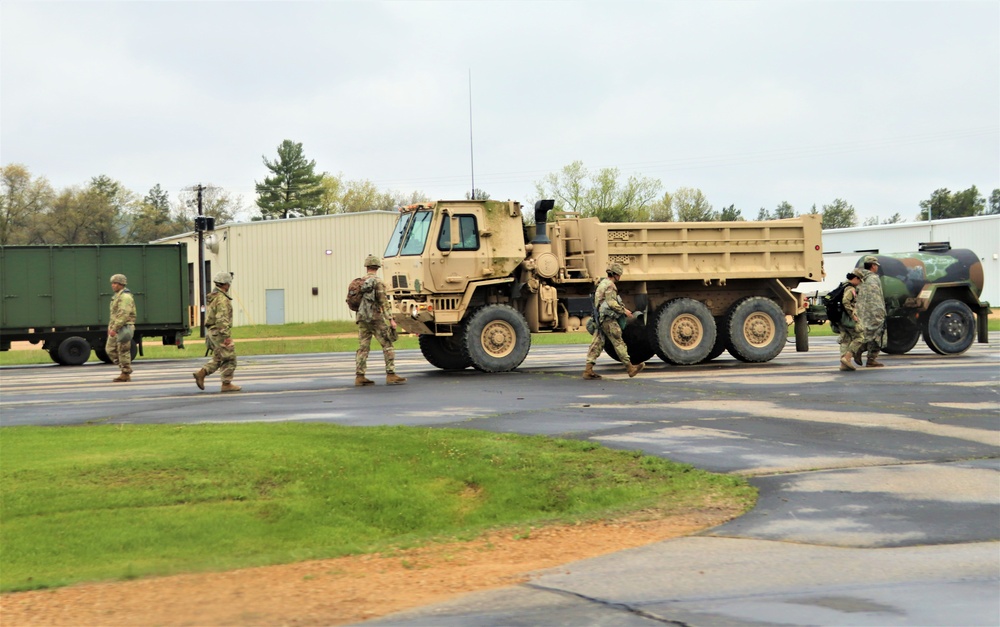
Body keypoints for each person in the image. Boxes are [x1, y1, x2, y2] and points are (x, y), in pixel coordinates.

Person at [582, 263, 644, 380]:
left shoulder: (602, 283)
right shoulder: (610, 285)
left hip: (600, 319)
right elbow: (611, 303)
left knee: (597, 343)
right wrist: (624, 311)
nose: (620, 277)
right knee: (618, 342)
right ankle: (630, 368)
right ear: (615, 275)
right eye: (619, 275)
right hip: (608, 320)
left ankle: (588, 370)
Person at [355, 254, 407, 387]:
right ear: (377, 266)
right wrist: (391, 320)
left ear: (367, 266)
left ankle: (360, 376)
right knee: (387, 344)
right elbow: (383, 302)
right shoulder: (378, 282)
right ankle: (391, 374)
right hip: (376, 318)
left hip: (362, 318)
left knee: (363, 347)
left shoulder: (360, 282)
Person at [193, 272, 241, 392]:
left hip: (213, 331)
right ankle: (226, 383)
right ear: (225, 284)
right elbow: (222, 318)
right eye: (228, 283)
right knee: (230, 358)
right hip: (219, 332)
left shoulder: (214, 297)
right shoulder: (222, 299)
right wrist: (226, 336)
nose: (229, 285)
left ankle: (201, 374)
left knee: (219, 358)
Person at [855, 255, 887, 368]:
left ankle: (857, 350)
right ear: (873, 266)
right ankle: (871, 358)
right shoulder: (873, 278)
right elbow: (876, 298)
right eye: (876, 265)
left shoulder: (859, 277)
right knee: (879, 335)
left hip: (861, 313)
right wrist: (882, 312)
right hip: (874, 313)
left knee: (866, 334)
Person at [107, 273, 136, 382]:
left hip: (124, 327)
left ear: (121, 284)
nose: (113, 285)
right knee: (110, 349)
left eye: (115, 283)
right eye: (112, 283)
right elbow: (114, 314)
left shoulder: (125, 297)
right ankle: (124, 369)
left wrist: (114, 328)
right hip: (117, 326)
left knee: (123, 350)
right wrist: (111, 327)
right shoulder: (117, 296)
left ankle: (125, 373)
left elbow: (123, 314)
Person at [838, 270, 864, 371]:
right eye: (859, 280)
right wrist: (852, 315)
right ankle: (847, 358)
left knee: (845, 339)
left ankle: (843, 364)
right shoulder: (850, 289)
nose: (859, 283)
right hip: (847, 318)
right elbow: (846, 301)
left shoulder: (842, 286)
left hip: (840, 318)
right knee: (859, 337)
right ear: (855, 278)